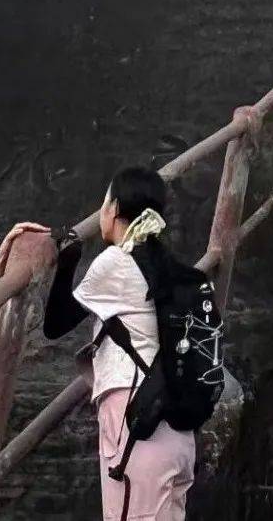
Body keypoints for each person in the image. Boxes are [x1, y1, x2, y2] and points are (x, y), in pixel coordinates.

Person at [43, 167, 197, 521]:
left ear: (113, 208)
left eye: (104, 201)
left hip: (138, 425)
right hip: (177, 433)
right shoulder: (168, 266)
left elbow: (56, 324)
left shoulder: (116, 262)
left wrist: (67, 262)